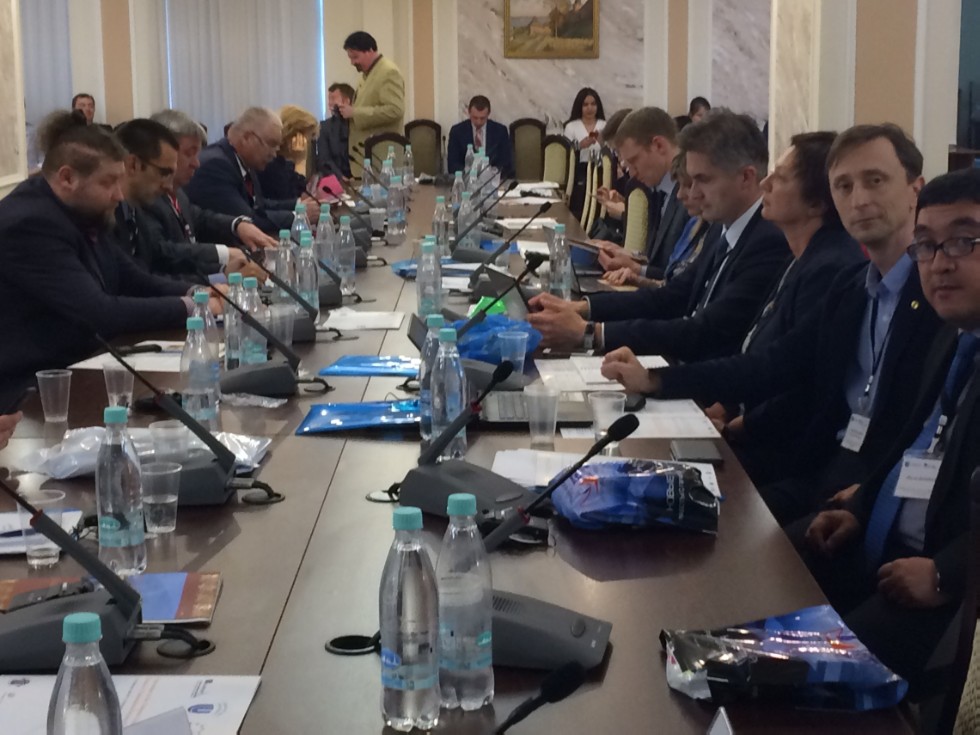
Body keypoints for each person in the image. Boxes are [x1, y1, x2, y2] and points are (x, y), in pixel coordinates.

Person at [602, 124, 945, 505]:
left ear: (916, 189)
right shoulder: (851, 287)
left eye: (875, 181)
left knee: (687, 510)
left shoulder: (936, 295)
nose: (859, 199)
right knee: (642, 492)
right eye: (844, 186)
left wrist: (868, 496)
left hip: (862, 484)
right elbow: (773, 363)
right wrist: (654, 380)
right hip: (831, 470)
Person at [786, 167, 980, 693]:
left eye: (964, 241)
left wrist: (944, 575)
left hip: (949, 585)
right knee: (766, 564)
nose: (940, 263)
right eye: (927, 245)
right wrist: (860, 506)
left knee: (811, 677)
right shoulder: (953, 336)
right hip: (886, 542)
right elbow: (911, 441)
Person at [530, 108, 789, 361]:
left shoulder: (769, 241)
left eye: (703, 180)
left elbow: (706, 332)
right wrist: (583, 308)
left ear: (746, 178)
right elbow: (673, 296)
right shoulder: (722, 228)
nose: (691, 194)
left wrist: (592, 333)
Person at [0, 111, 213, 386]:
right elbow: (98, 313)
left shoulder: (79, 210)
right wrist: (189, 307)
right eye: (108, 182)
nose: (119, 194)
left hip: (79, 366)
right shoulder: (31, 224)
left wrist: (197, 293)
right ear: (67, 178)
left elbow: (131, 277)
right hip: (32, 386)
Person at [113, 119, 249, 282]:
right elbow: (145, 278)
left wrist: (222, 272)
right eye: (164, 172)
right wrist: (213, 280)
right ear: (133, 165)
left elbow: (154, 264)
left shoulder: (137, 206)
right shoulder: (112, 215)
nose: (197, 163)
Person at [144, 109, 275, 262]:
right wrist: (224, 256)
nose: (196, 163)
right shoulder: (146, 198)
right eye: (189, 154)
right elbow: (163, 253)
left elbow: (200, 218)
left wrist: (237, 225)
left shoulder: (178, 193)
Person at [185, 106, 317, 234]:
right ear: (247, 138)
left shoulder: (243, 160)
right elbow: (248, 220)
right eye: (271, 144)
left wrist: (299, 205)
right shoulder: (217, 165)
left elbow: (259, 204)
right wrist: (298, 216)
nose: (274, 154)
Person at [602, 151, 715, 288]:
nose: (679, 195)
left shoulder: (710, 230)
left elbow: (678, 290)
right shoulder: (693, 224)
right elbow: (671, 280)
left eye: (688, 185)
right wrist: (633, 265)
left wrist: (636, 271)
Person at [338, 31, 405, 177]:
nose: (352, 62)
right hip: (365, 156)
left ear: (369, 50)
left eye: (355, 57)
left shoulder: (388, 72)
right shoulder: (366, 74)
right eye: (350, 58)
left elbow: (395, 110)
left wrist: (355, 112)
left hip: (382, 158)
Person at [257, 105, 318, 200]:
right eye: (308, 138)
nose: (308, 145)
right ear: (295, 136)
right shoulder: (271, 161)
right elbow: (291, 197)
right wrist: (300, 162)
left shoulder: (285, 162)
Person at [447, 95, 515, 179]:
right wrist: (469, 173)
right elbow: (452, 164)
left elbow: (506, 162)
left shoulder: (500, 131)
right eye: (475, 118)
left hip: (492, 180)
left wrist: (491, 172)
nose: (478, 122)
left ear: (488, 114)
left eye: (482, 118)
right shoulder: (457, 131)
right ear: (469, 113)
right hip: (466, 180)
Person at [316, 82, 354, 180]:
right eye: (329, 99)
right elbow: (324, 159)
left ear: (347, 101)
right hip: (336, 180)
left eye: (333, 98)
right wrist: (341, 177)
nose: (329, 103)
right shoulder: (325, 127)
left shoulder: (359, 125)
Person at [564, 87, 606, 162]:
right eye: (585, 105)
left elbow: (613, 153)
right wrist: (580, 146)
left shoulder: (604, 125)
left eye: (593, 104)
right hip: (577, 167)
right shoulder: (570, 127)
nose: (590, 108)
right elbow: (565, 153)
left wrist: (602, 143)